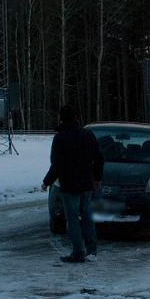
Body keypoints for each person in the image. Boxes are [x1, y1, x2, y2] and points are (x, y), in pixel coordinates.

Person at [41, 105, 105, 263]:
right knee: (87, 217)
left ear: (62, 118)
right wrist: (96, 178)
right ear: (76, 117)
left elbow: (56, 165)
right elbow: (99, 158)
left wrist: (46, 182)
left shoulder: (60, 138)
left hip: (69, 185)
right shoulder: (87, 134)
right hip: (86, 184)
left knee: (73, 219)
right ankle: (92, 250)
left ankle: (78, 252)